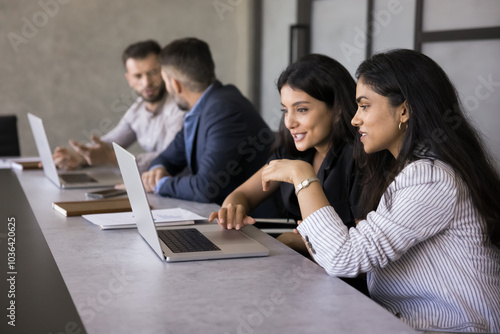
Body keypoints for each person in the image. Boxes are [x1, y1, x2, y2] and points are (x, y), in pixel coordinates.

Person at [261, 49, 500, 332]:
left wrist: (302, 177)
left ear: (404, 110)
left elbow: (344, 258)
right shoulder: (408, 169)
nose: (354, 119)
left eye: (364, 106)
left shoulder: (430, 178)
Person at [209, 54, 367, 293]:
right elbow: (242, 194)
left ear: (337, 110)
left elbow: (358, 259)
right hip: (302, 278)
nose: (289, 122)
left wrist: (296, 243)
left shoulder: (361, 159)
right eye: (285, 110)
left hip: (345, 288)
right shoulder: (292, 152)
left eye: (301, 109)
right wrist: (232, 209)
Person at [141, 38, 277, 209]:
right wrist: (158, 169)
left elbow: (205, 188)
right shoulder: (204, 107)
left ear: (175, 84)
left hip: (253, 225)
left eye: (165, 81)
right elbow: (167, 157)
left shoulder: (224, 110)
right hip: (218, 215)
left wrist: (160, 184)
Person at [52, 40, 184, 172]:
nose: (146, 83)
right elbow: (110, 143)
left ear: (165, 72)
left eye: (152, 73)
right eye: (138, 76)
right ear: (129, 79)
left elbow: (170, 159)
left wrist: (112, 159)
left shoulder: (180, 107)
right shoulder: (137, 109)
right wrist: (78, 155)